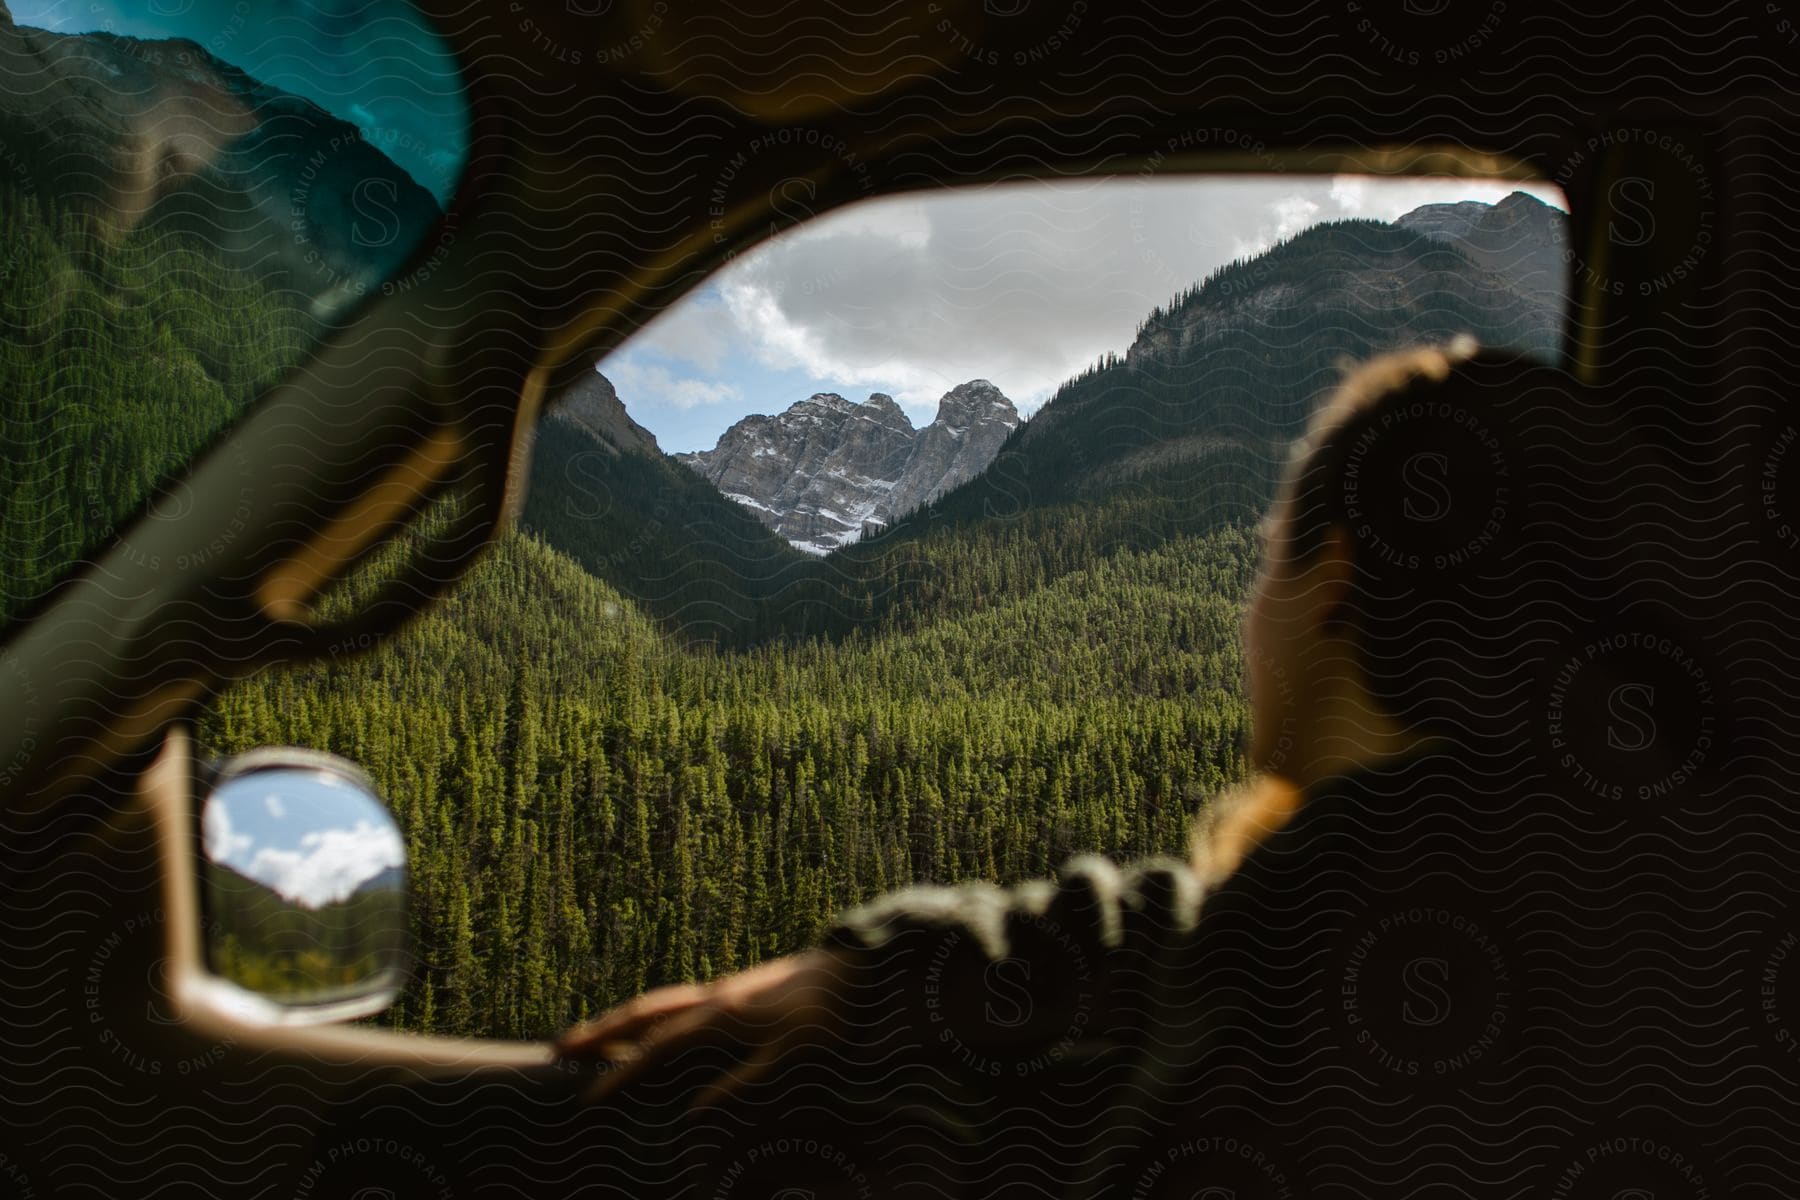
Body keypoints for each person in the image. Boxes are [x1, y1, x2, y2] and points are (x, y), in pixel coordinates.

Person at [559, 340, 1762, 1197]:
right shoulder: (1602, 892)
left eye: (1262, 559)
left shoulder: (1371, 993)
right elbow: (1189, 935)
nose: (1250, 610)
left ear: (1332, 579)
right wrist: (900, 975)